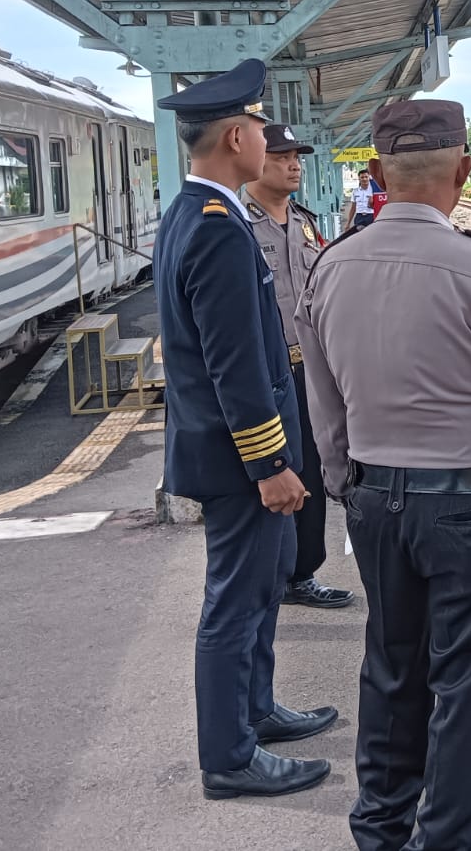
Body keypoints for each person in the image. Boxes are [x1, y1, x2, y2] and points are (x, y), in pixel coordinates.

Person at [298, 99, 471, 851]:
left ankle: (378, 832)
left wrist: (350, 478)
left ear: (374, 175)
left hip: (374, 501)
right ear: (466, 171)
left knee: (391, 671)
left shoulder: (329, 267)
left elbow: (323, 401)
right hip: (470, 505)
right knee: (469, 689)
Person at [152, 58, 336, 801]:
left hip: (227, 455)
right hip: (240, 464)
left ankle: (255, 712)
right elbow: (234, 366)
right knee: (234, 602)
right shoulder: (222, 232)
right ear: (236, 136)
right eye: (260, 127)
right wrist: (271, 467)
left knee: (259, 591)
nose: (267, 138)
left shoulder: (192, 214)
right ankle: (228, 756)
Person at [243, 123, 355, 611]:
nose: (293, 165)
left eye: (297, 157)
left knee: (309, 469)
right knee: (269, 472)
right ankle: (266, 574)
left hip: (309, 368)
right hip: (265, 372)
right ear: (254, 161)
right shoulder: (238, 224)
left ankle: (301, 574)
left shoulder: (306, 224)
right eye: (281, 156)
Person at [341, 168, 378, 233]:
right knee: (359, 235)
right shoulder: (355, 191)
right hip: (359, 217)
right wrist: (348, 223)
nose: (364, 179)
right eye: (362, 177)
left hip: (371, 216)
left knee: (371, 234)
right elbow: (353, 208)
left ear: (369, 178)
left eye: (366, 177)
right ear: (359, 178)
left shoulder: (374, 190)